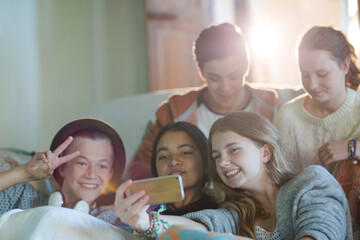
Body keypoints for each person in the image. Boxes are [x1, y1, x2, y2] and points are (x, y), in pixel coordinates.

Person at [115, 112, 352, 239]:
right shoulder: (236, 211)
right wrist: (146, 223)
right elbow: (198, 225)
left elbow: (322, 234)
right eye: (217, 156)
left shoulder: (312, 182)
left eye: (233, 150)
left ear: (265, 152)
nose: (223, 162)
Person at [129, 22, 281, 180]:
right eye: (214, 78)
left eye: (234, 76)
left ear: (246, 67)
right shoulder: (175, 111)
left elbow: (287, 161)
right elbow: (140, 165)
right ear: (201, 72)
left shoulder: (270, 107)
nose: (225, 87)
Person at [273, 26, 360, 231]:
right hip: (300, 221)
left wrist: (351, 147)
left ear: (344, 65)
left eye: (322, 74)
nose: (313, 85)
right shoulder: (287, 116)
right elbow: (276, 180)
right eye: (305, 75)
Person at [0, 118, 126, 226]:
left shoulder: (113, 219)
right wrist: (24, 172)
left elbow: (142, 235)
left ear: (110, 175)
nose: (91, 174)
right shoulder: (25, 199)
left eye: (102, 166)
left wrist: (145, 229)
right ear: (62, 168)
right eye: (82, 163)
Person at [150, 121, 217, 215]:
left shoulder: (219, 215)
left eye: (185, 153)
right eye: (163, 156)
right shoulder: (145, 210)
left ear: (206, 162)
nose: (173, 161)